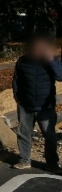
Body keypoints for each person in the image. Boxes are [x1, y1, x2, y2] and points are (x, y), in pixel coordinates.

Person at [12, 33, 62, 172]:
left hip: (45, 106)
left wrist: (51, 60)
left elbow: (60, 76)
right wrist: (17, 97)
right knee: (23, 133)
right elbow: (16, 80)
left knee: (49, 135)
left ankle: (52, 163)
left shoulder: (52, 62)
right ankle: (24, 160)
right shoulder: (22, 61)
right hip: (25, 105)